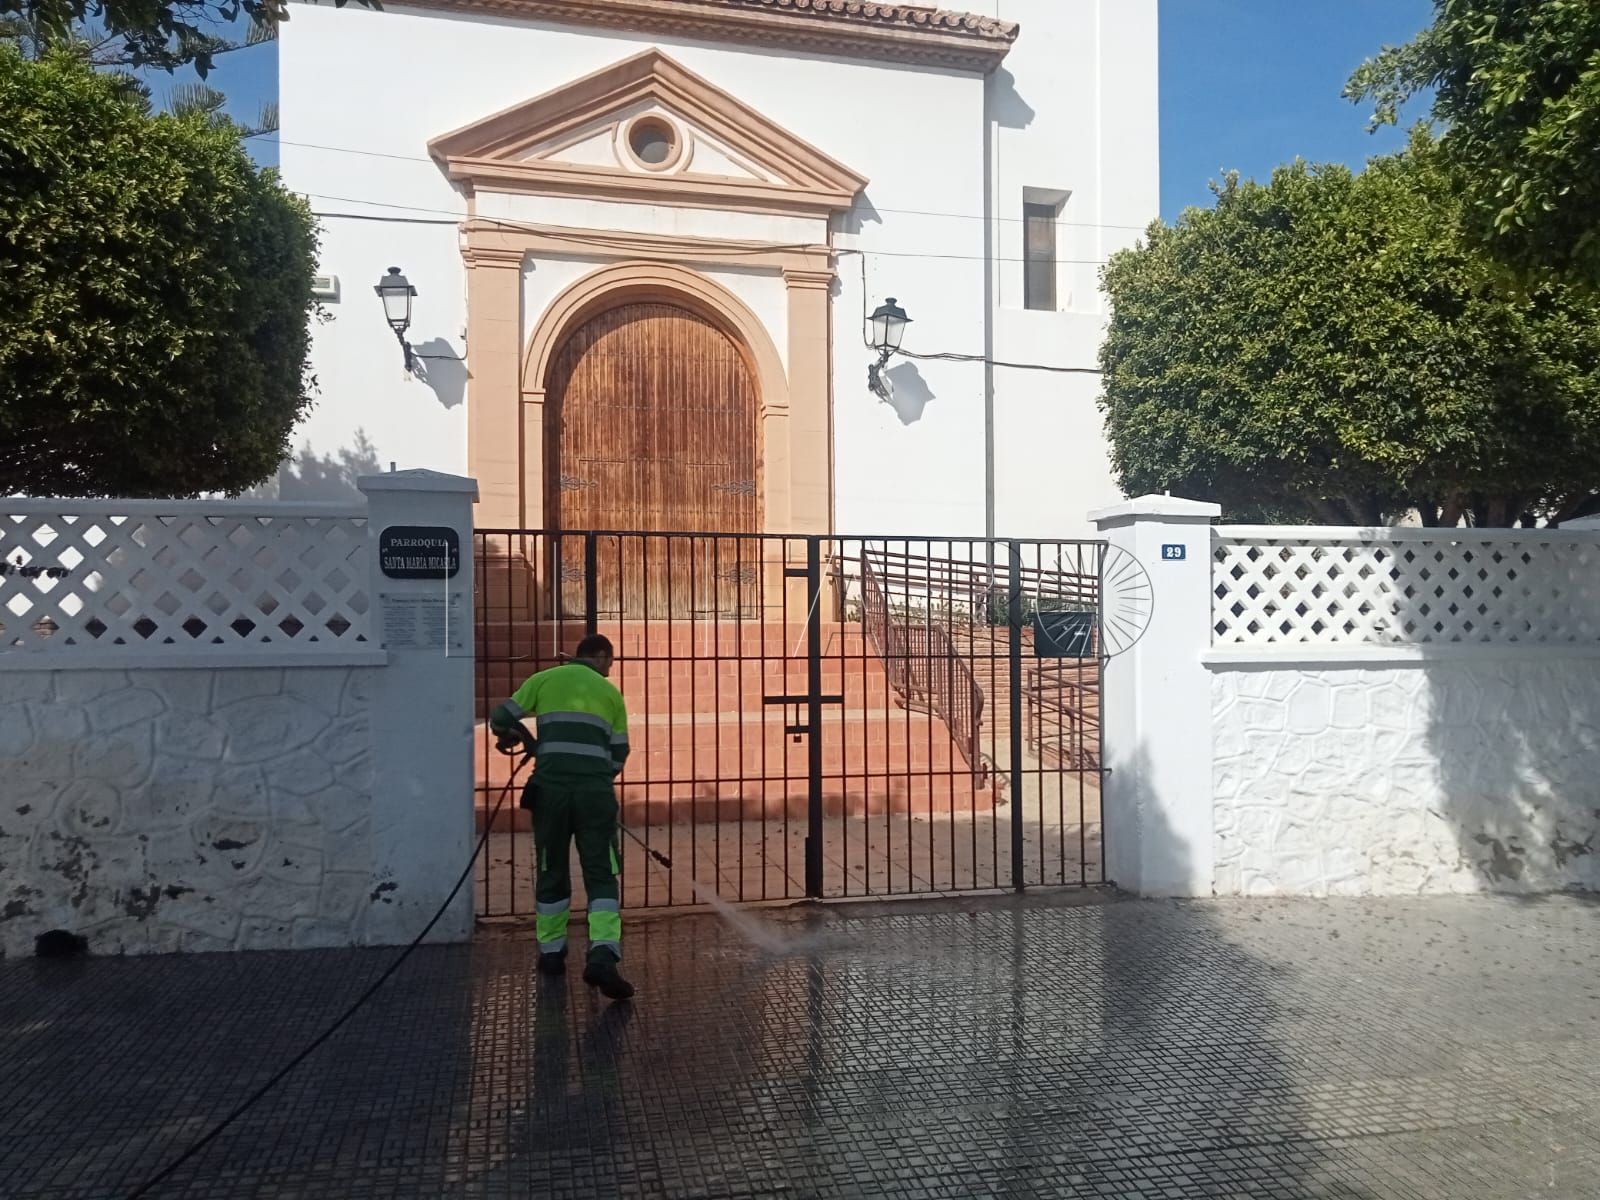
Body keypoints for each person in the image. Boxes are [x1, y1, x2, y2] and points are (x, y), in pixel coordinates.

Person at [489, 633, 634, 1001]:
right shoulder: (610, 694)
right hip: (594, 796)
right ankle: (602, 953)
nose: (610, 670)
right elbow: (619, 752)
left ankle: (551, 953)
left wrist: (520, 735)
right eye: (610, 662)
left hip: (549, 793)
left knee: (551, 867)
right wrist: (598, 779)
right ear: (600, 657)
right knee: (601, 872)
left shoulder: (544, 680)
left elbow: (499, 717)